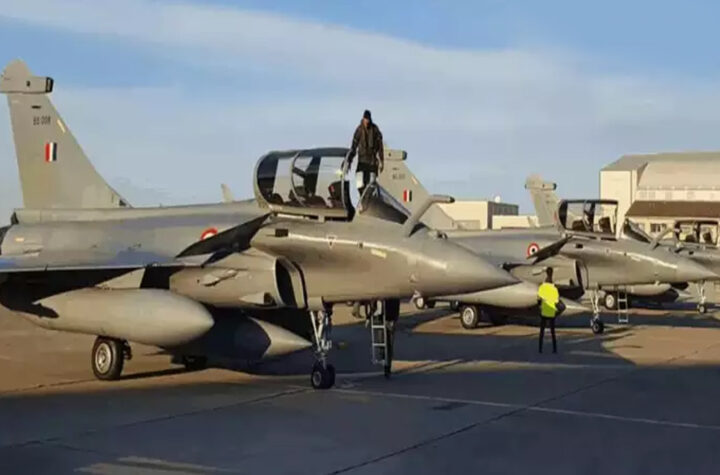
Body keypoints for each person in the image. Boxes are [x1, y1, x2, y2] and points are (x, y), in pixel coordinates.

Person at [347, 110, 384, 194]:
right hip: (362, 161)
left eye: (368, 119)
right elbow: (353, 147)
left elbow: (380, 147)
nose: (367, 121)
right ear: (363, 119)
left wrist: (382, 161)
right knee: (359, 183)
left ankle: (370, 197)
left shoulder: (375, 130)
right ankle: (362, 197)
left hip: (372, 162)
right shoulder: (359, 130)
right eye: (365, 119)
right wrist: (349, 160)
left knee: (371, 184)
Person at [537, 268, 565, 353]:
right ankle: (554, 349)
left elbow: (538, 299)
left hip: (544, 311)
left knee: (542, 332)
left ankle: (540, 349)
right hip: (551, 311)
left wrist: (540, 306)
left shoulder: (542, 287)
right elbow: (556, 301)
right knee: (553, 332)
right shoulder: (554, 289)